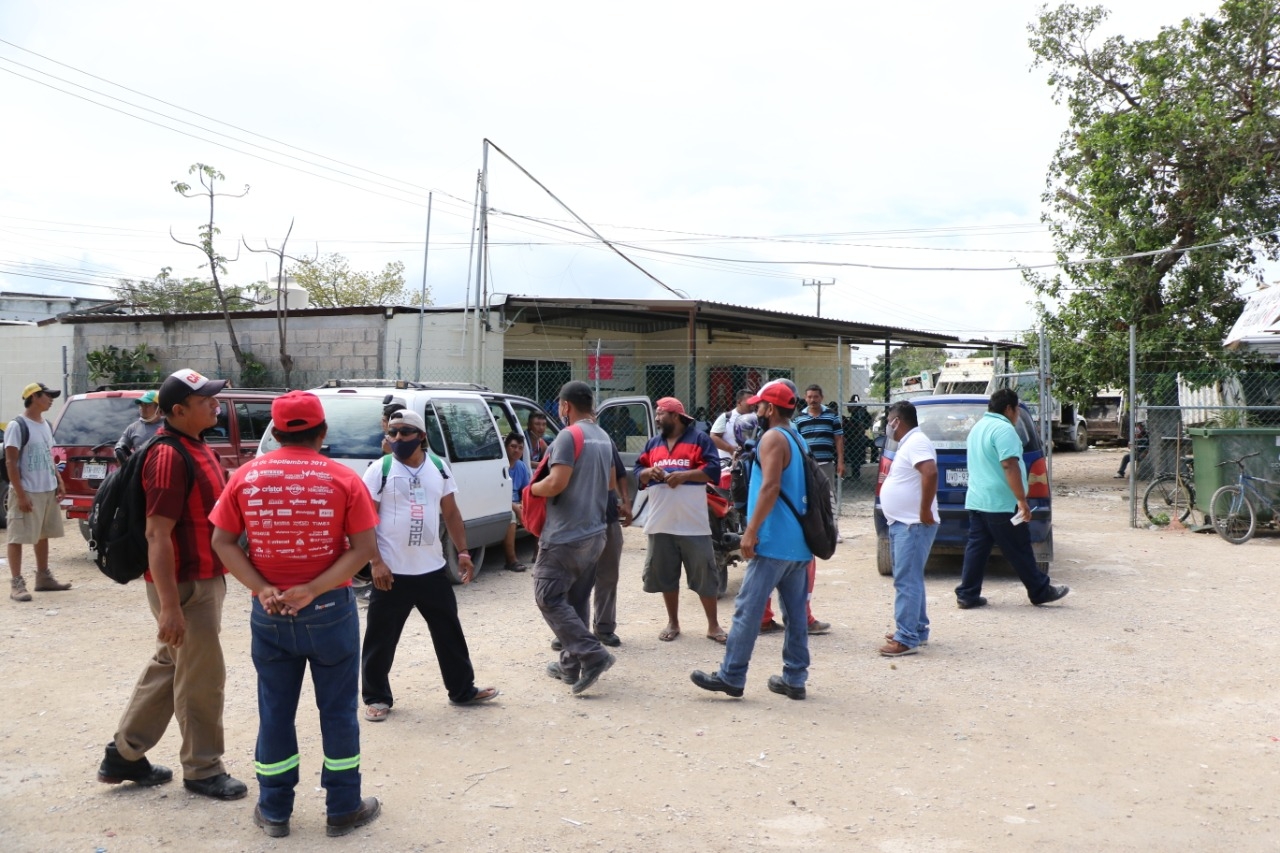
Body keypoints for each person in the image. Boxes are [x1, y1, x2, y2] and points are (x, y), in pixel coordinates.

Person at [209, 391, 382, 838]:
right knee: (339, 712)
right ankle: (343, 807)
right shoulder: (343, 479)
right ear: (322, 433)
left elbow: (222, 542)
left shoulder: (246, 476)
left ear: (277, 432)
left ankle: (274, 811)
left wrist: (262, 588)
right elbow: (364, 550)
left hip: (269, 615)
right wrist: (312, 589)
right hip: (329, 611)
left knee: (275, 712)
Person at [97, 369, 248, 801]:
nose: (215, 404)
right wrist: (169, 606)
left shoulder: (194, 446)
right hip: (184, 586)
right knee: (201, 676)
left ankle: (124, 754)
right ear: (179, 411)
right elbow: (156, 534)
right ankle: (203, 769)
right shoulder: (167, 456)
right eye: (206, 400)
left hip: (200, 580)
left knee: (169, 667)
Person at [360, 410, 499, 719]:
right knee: (380, 638)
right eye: (392, 433)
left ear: (422, 436)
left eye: (405, 432)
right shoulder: (380, 470)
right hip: (391, 573)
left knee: (448, 631)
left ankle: (462, 690)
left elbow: (451, 513)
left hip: (432, 570)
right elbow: (365, 520)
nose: (397, 438)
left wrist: (463, 551)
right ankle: (376, 697)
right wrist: (376, 562)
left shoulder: (438, 468)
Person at [691, 379, 814, 700]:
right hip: (799, 542)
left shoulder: (773, 437)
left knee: (746, 609)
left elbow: (770, 487)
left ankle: (732, 675)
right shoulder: (796, 435)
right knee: (796, 613)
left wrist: (751, 530)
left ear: (770, 409)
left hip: (773, 540)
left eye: (759, 405)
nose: (755, 409)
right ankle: (795, 678)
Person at [533, 381, 618, 695]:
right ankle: (570, 666)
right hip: (595, 533)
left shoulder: (569, 436)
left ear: (565, 406)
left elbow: (556, 483)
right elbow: (610, 482)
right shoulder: (603, 436)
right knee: (576, 600)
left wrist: (532, 488)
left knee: (548, 596)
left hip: (565, 535)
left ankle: (593, 655)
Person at [954, 388, 1070, 609]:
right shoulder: (1004, 429)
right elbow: (1009, 464)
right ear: (1009, 409)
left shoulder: (978, 428)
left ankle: (967, 594)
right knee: (1019, 548)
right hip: (1001, 502)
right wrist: (1022, 500)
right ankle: (1039, 591)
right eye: (1016, 410)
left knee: (977, 549)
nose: (1017, 415)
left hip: (978, 501)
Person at [635, 396, 726, 644]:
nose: (656, 418)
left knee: (705, 575)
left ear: (675, 415)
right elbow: (636, 472)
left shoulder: (700, 439)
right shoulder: (653, 444)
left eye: (660, 413)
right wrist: (646, 472)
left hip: (693, 524)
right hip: (660, 523)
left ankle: (713, 626)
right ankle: (673, 622)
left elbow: (713, 470)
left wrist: (684, 476)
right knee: (666, 575)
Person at [877, 400, 939, 657]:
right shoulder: (909, 443)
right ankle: (916, 628)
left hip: (913, 524)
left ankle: (906, 637)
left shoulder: (917, 442)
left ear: (897, 421)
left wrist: (923, 510)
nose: (887, 426)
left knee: (906, 581)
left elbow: (931, 472)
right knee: (912, 578)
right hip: (904, 522)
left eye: (889, 420)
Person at [5, 381, 70, 601]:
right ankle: (16, 583)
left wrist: (58, 479)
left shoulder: (45, 425)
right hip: (28, 491)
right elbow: (11, 462)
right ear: (33, 397)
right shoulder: (18, 425)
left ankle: (43, 577)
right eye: (47, 395)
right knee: (17, 536)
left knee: (43, 535)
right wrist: (21, 494)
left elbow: (49, 455)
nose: (51, 399)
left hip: (46, 489)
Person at [793, 384, 844, 542]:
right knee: (806, 496)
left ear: (821, 397)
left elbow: (839, 439)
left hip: (826, 463)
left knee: (829, 497)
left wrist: (841, 461)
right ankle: (810, 532)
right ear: (805, 398)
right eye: (809, 397)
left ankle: (834, 531)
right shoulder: (798, 419)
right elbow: (796, 442)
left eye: (815, 397)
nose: (812, 400)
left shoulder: (832, 416)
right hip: (806, 465)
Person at [710, 390, 753, 486]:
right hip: (726, 468)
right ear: (739, 402)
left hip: (748, 467)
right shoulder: (726, 417)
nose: (752, 404)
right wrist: (730, 449)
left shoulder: (755, 418)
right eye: (749, 401)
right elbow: (713, 437)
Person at [503, 432, 532, 572]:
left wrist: (523, 503)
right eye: (513, 446)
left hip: (516, 503)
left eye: (520, 448)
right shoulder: (500, 466)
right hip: (502, 503)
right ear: (506, 447)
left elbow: (526, 490)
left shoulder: (521, 466)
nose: (516, 450)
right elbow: (498, 496)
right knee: (512, 517)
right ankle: (511, 560)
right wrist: (516, 507)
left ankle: (539, 556)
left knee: (542, 508)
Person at [114, 390, 163, 463]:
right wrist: (119, 451)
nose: (143, 408)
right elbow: (120, 446)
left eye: (147, 405)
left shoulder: (168, 426)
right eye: (141, 405)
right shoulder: (133, 428)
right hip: (139, 471)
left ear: (158, 408)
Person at [844, 394, 873, 479]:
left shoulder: (857, 414)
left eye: (849, 407)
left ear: (853, 406)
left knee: (855, 456)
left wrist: (856, 438)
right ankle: (855, 474)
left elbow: (861, 427)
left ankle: (855, 475)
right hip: (856, 437)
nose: (848, 409)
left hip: (857, 438)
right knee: (854, 456)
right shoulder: (856, 413)